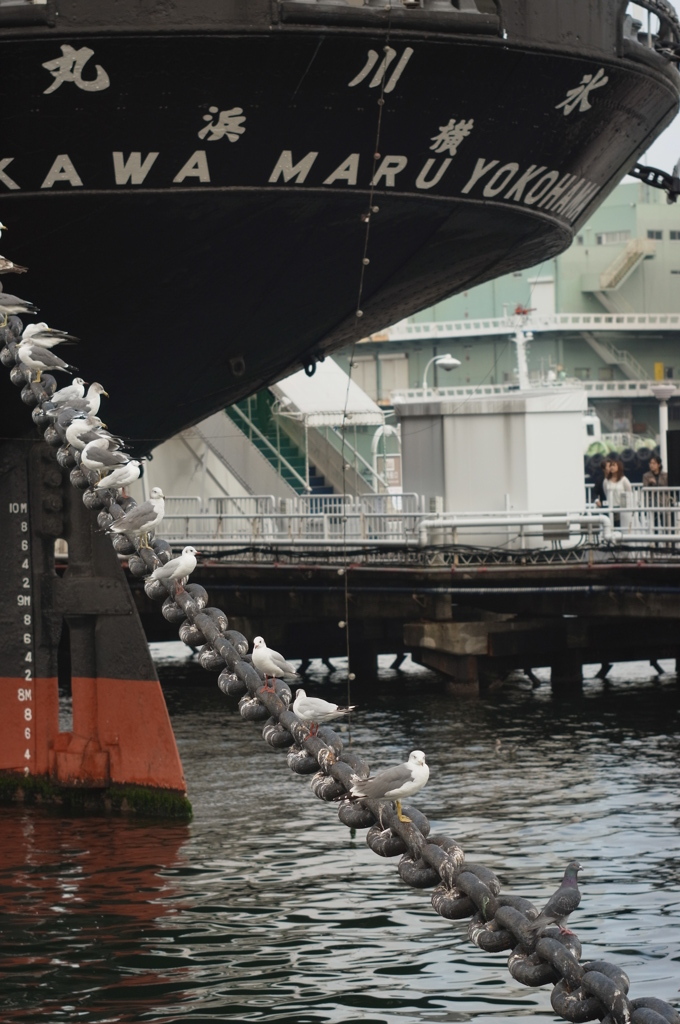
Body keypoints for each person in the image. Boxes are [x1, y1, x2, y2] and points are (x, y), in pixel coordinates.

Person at [602, 457, 633, 531]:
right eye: (611, 466)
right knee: (611, 528)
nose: (612, 467)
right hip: (611, 507)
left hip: (621, 507)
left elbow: (629, 492)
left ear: (619, 467)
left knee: (621, 528)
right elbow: (606, 492)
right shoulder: (606, 481)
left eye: (614, 465)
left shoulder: (624, 480)